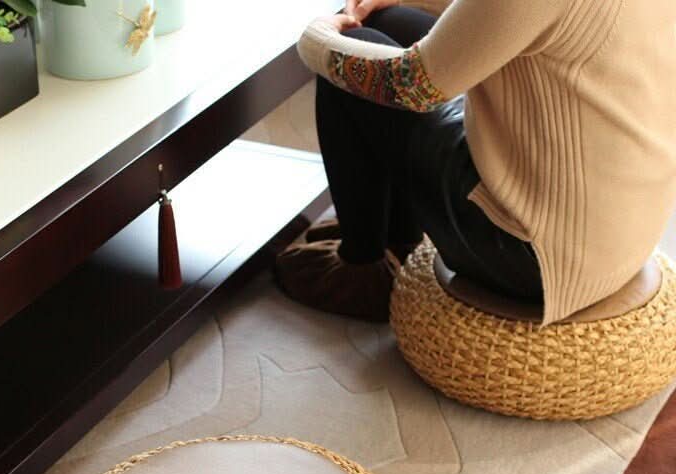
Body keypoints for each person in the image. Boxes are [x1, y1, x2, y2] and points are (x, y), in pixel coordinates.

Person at [275, 0, 676, 324]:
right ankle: (397, 239)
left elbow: (412, 84)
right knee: (386, 20)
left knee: (347, 56)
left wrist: (315, 40)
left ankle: (361, 269)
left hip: (538, 257)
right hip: (622, 226)